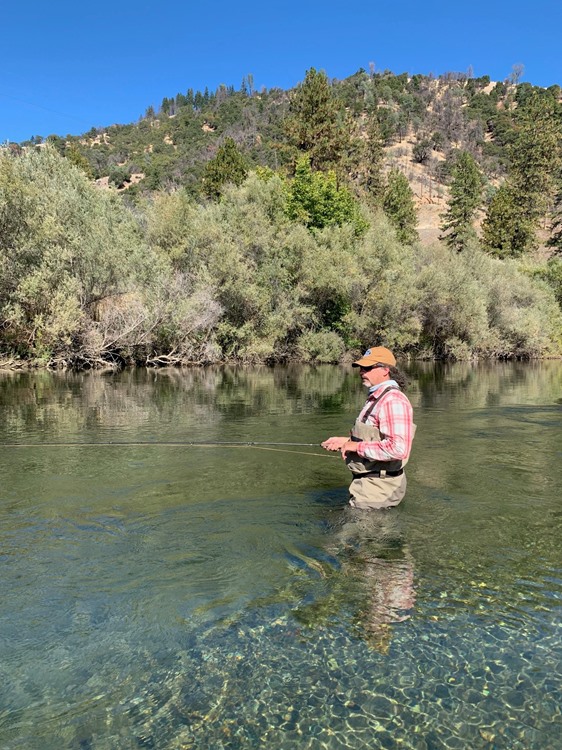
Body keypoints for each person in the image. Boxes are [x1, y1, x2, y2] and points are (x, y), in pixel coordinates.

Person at [321, 346, 415, 510]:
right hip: (369, 486)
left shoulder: (393, 400)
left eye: (368, 368)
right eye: (361, 368)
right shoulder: (376, 397)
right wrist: (345, 442)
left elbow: (398, 448)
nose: (361, 372)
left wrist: (356, 446)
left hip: (378, 491)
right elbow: (376, 437)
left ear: (385, 370)